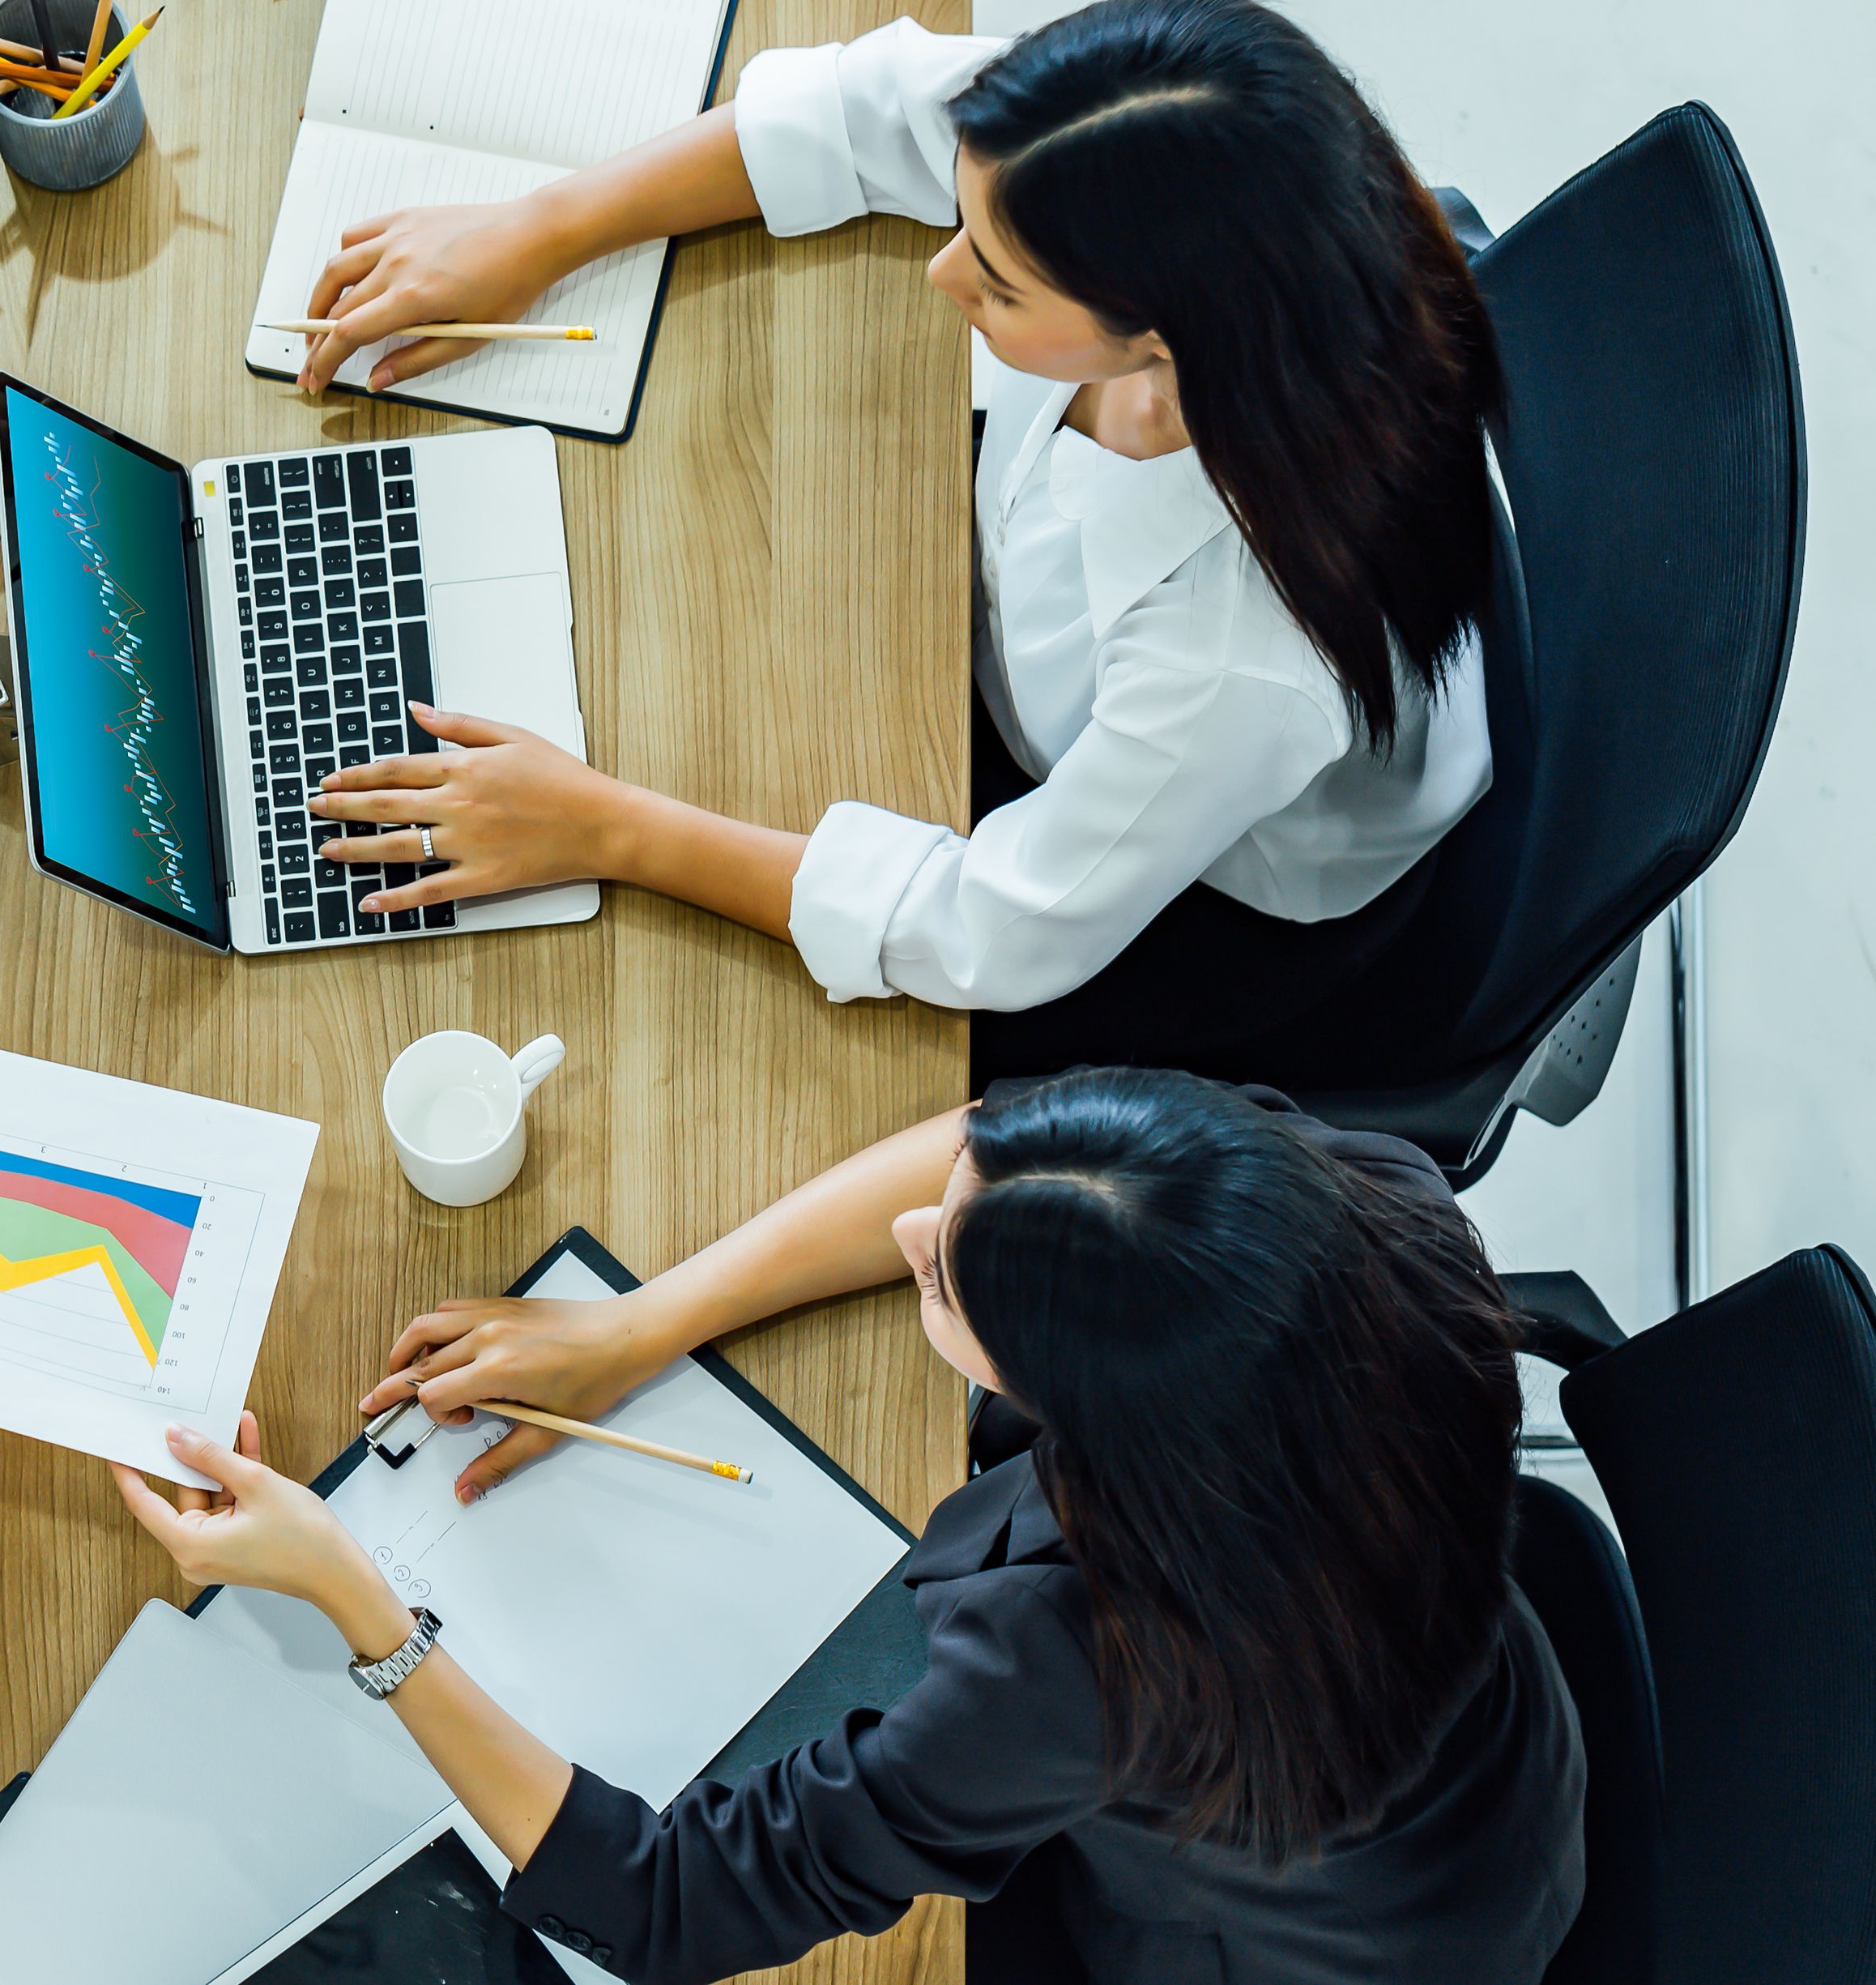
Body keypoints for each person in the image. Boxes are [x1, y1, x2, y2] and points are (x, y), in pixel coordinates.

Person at [113, 1067, 1582, 1985]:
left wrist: (353, 1592)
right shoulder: (1353, 1216)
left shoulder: (1087, 1665)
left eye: (944, 1282)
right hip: (1479, 1744)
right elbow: (992, 1137)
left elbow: (670, 1904)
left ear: (1102, 1419)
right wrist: (642, 1321)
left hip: (1307, 1946)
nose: (903, 1243)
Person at [289, 0, 1501, 1086]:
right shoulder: (1159, 142)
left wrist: (604, 830)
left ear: (1164, 343)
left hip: (1204, 883)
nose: (940, 270)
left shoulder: (1235, 659)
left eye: (999, 283)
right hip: (1040, 663)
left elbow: (985, 929)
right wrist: (539, 228)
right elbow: (872, 111)